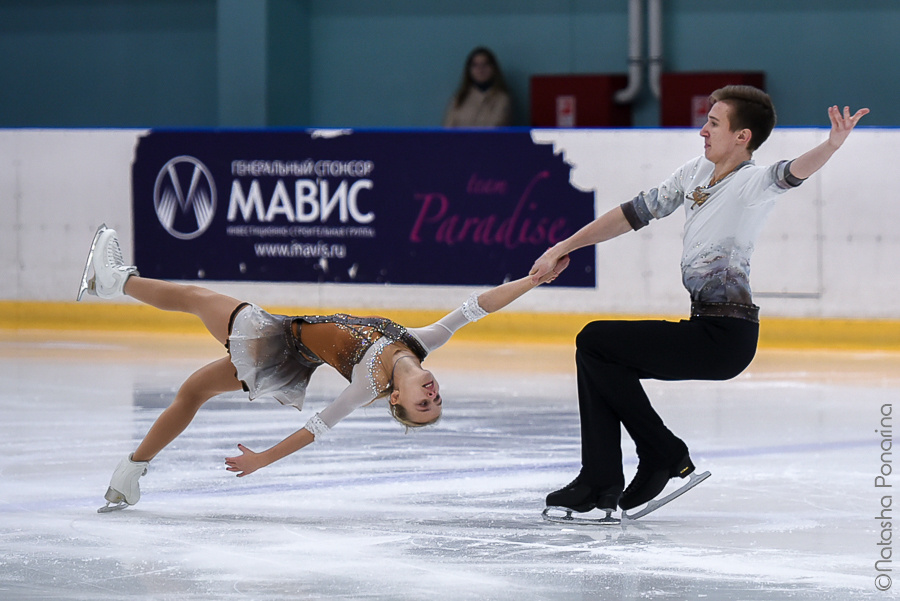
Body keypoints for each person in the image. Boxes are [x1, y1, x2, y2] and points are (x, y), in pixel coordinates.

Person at [529, 86, 868, 518]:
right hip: (702, 326)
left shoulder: (752, 183)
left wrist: (831, 145)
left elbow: (793, 172)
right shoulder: (694, 173)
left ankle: (656, 456)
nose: (702, 130)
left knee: (596, 340)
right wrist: (565, 245)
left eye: (713, 123)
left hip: (726, 337)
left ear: (742, 136)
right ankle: (607, 477)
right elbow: (634, 212)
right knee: (598, 356)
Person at [80, 226, 567, 512]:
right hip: (291, 352)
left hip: (276, 342)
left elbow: (316, 429)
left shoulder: (367, 382)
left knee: (197, 298)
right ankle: (131, 472)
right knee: (192, 391)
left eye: (423, 403)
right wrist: (533, 279)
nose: (432, 394)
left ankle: (115, 281)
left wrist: (262, 460)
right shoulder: (424, 341)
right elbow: (480, 306)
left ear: (396, 399)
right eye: (436, 400)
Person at [443, 46, 513, 128]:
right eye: (475, 65)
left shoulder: (502, 99)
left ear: (493, 68)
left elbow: (497, 126)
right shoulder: (459, 98)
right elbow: (448, 128)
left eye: (485, 64)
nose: (480, 69)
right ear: (469, 70)